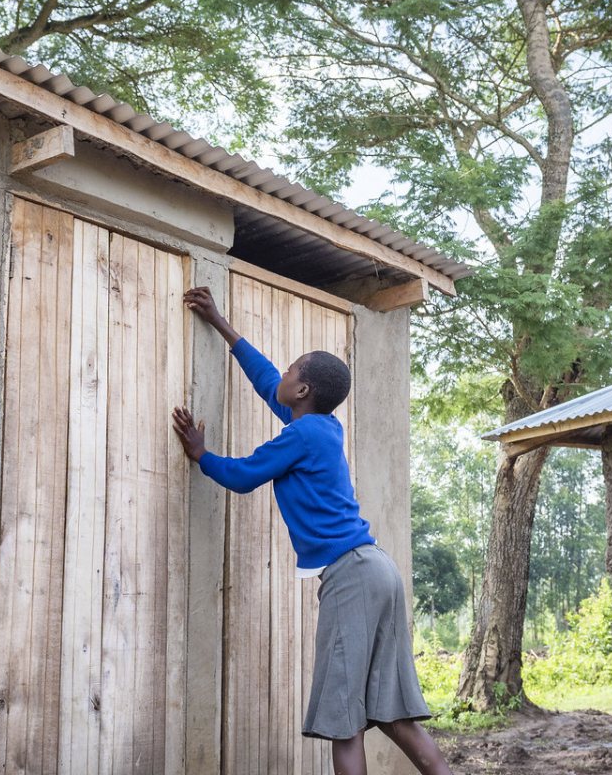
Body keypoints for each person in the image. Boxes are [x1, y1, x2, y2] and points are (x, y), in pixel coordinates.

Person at [170, 285, 451, 775]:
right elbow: (266, 379)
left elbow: (242, 476)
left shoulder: (301, 434)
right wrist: (221, 323)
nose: (282, 374)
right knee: (392, 714)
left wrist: (201, 454)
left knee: (344, 720)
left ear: (302, 391)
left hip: (352, 576)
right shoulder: (321, 427)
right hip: (377, 570)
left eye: (291, 371)